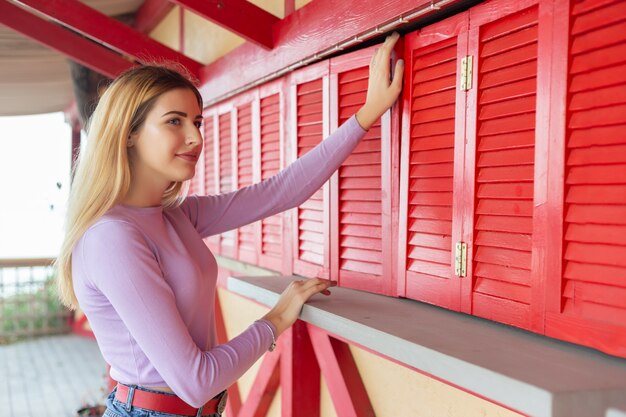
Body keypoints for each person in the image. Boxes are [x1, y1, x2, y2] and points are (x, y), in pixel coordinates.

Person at [55, 32, 404, 417]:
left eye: (197, 121)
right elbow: (196, 380)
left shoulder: (175, 216)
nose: (195, 137)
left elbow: (283, 192)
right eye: (174, 121)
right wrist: (278, 317)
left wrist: (368, 113)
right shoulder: (112, 237)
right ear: (129, 133)